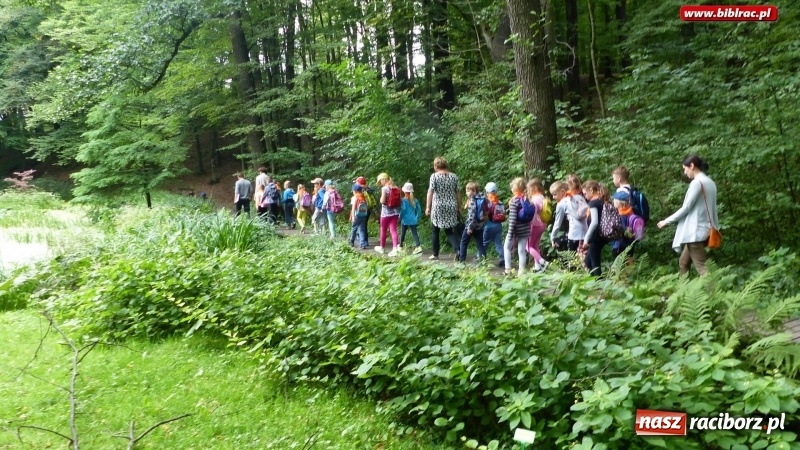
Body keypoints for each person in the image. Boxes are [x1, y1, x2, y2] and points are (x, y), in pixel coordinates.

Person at [657, 155, 719, 276]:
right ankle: (683, 287)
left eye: (685, 169)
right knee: (683, 262)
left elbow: (686, 208)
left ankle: (714, 289)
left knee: (702, 267)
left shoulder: (697, 183)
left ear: (692, 166)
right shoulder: (710, 182)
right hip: (706, 230)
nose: (685, 173)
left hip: (695, 232)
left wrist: (666, 221)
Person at [425, 157, 462, 260]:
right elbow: (458, 192)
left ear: (436, 166)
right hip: (451, 205)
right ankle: (458, 250)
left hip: (438, 206)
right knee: (449, 231)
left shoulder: (434, 176)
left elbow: (430, 192)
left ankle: (435, 254)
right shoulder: (454, 176)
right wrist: (459, 206)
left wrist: (428, 207)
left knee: (435, 230)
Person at [581, 180, 608, 277]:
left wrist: (586, 238)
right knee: (588, 262)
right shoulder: (601, 200)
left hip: (595, 237)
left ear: (591, 190)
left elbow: (594, 222)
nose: (585, 196)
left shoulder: (593, 203)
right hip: (601, 235)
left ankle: (599, 283)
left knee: (595, 264)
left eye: (585, 193)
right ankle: (594, 282)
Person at [504, 177, 531, 276]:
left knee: (507, 247)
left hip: (515, 230)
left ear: (516, 188)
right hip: (526, 229)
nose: (511, 188)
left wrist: (510, 232)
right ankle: (521, 272)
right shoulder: (527, 199)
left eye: (512, 187)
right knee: (521, 251)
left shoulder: (514, 201)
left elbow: (512, 219)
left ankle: (508, 269)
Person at [458, 181, 487, 263]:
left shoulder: (473, 200)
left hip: (471, 226)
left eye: (468, 191)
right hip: (480, 226)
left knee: (463, 242)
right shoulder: (483, 198)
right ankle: (483, 261)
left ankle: (461, 261)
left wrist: (469, 228)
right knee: (480, 244)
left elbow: (472, 215)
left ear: (474, 191)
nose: (466, 193)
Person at [611, 190, 645, 260]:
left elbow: (620, 229)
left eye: (614, 200)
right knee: (629, 262)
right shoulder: (632, 211)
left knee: (620, 265)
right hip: (631, 243)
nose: (613, 202)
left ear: (618, 203)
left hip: (619, 245)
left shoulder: (620, 215)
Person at [525, 179, 550, 272]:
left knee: (527, 246)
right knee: (535, 245)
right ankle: (537, 267)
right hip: (542, 224)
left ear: (535, 188)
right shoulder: (542, 197)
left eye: (529, 188)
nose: (528, 191)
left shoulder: (535, 199)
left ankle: (542, 261)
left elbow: (533, 214)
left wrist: (529, 224)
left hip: (535, 225)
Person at [375, 173, 401, 257]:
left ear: (384, 179)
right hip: (395, 213)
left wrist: (381, 199)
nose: (380, 183)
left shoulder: (384, 188)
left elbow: (382, 201)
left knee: (383, 229)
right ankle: (395, 248)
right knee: (393, 230)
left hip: (386, 213)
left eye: (380, 181)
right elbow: (400, 200)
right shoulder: (396, 188)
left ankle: (382, 247)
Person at [482, 182, 505, 267]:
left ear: (487, 192)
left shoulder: (487, 202)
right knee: (498, 243)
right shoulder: (500, 202)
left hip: (488, 226)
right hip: (498, 226)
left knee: (484, 243)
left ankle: (480, 258)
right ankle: (503, 258)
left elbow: (484, 214)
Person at [399, 182, 423, 254]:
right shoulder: (415, 200)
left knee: (403, 233)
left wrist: (400, 217)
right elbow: (419, 210)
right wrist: (417, 217)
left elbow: (403, 210)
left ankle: (400, 246)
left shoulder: (403, 200)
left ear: (404, 191)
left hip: (405, 220)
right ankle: (418, 246)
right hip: (413, 220)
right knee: (415, 233)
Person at [349, 184, 370, 249]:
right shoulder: (363, 197)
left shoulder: (354, 197)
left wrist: (352, 217)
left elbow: (353, 208)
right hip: (363, 215)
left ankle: (351, 242)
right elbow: (367, 205)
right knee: (362, 230)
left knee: (354, 228)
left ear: (355, 191)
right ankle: (362, 244)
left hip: (356, 215)